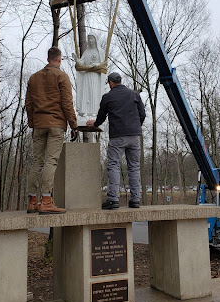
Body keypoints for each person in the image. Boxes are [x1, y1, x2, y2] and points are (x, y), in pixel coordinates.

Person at [25, 46, 78, 214]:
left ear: (48, 59)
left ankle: (32, 201)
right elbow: (67, 103)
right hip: (55, 125)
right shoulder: (62, 76)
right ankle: (46, 200)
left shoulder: (33, 78)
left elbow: (28, 104)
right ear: (59, 60)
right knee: (51, 161)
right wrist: (73, 125)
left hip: (39, 124)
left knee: (37, 162)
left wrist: (33, 123)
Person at [86, 72, 146, 209]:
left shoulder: (108, 97)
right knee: (134, 167)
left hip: (117, 136)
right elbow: (142, 114)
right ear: (120, 81)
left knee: (114, 165)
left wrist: (94, 124)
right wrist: (135, 127)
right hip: (134, 136)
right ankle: (135, 199)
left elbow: (101, 117)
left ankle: (113, 199)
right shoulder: (134, 94)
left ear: (111, 83)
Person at [72, 34, 106, 123]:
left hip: (95, 76)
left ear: (95, 39)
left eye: (92, 38)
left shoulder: (100, 52)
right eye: (89, 38)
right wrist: (76, 60)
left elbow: (103, 64)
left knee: (93, 92)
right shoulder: (86, 52)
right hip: (87, 75)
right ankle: (84, 112)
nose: (90, 40)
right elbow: (81, 62)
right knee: (86, 93)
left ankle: (94, 112)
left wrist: (96, 65)